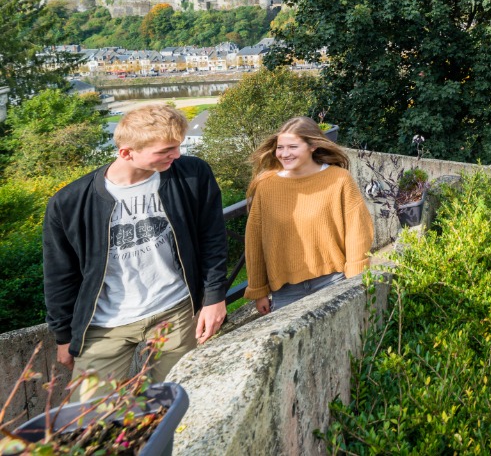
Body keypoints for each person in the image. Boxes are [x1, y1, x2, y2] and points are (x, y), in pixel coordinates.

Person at [43, 103, 228, 399]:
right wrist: (64, 337)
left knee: (174, 403)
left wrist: (214, 297)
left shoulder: (192, 174)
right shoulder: (69, 202)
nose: (177, 155)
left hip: (176, 311)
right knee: (86, 418)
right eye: (166, 150)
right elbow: (59, 275)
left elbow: (212, 238)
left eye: (178, 146)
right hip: (105, 324)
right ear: (126, 152)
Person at [244, 117, 374, 314]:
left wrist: (356, 278)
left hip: (333, 281)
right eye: (280, 147)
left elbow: (358, 231)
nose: (284, 154)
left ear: (312, 145)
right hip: (285, 291)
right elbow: (254, 240)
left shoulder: (339, 179)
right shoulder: (266, 186)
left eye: (292, 147)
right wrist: (258, 290)